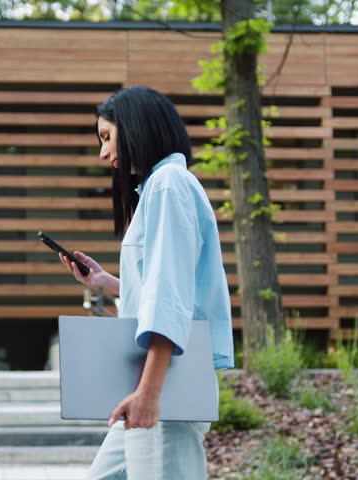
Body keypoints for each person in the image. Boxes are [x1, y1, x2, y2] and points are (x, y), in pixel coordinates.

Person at [58, 85, 235, 480]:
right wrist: (107, 282)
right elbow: (165, 286)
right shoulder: (162, 187)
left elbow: (170, 297)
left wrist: (150, 393)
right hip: (153, 383)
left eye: (107, 137)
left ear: (136, 126)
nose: (104, 153)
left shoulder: (168, 185)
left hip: (162, 385)